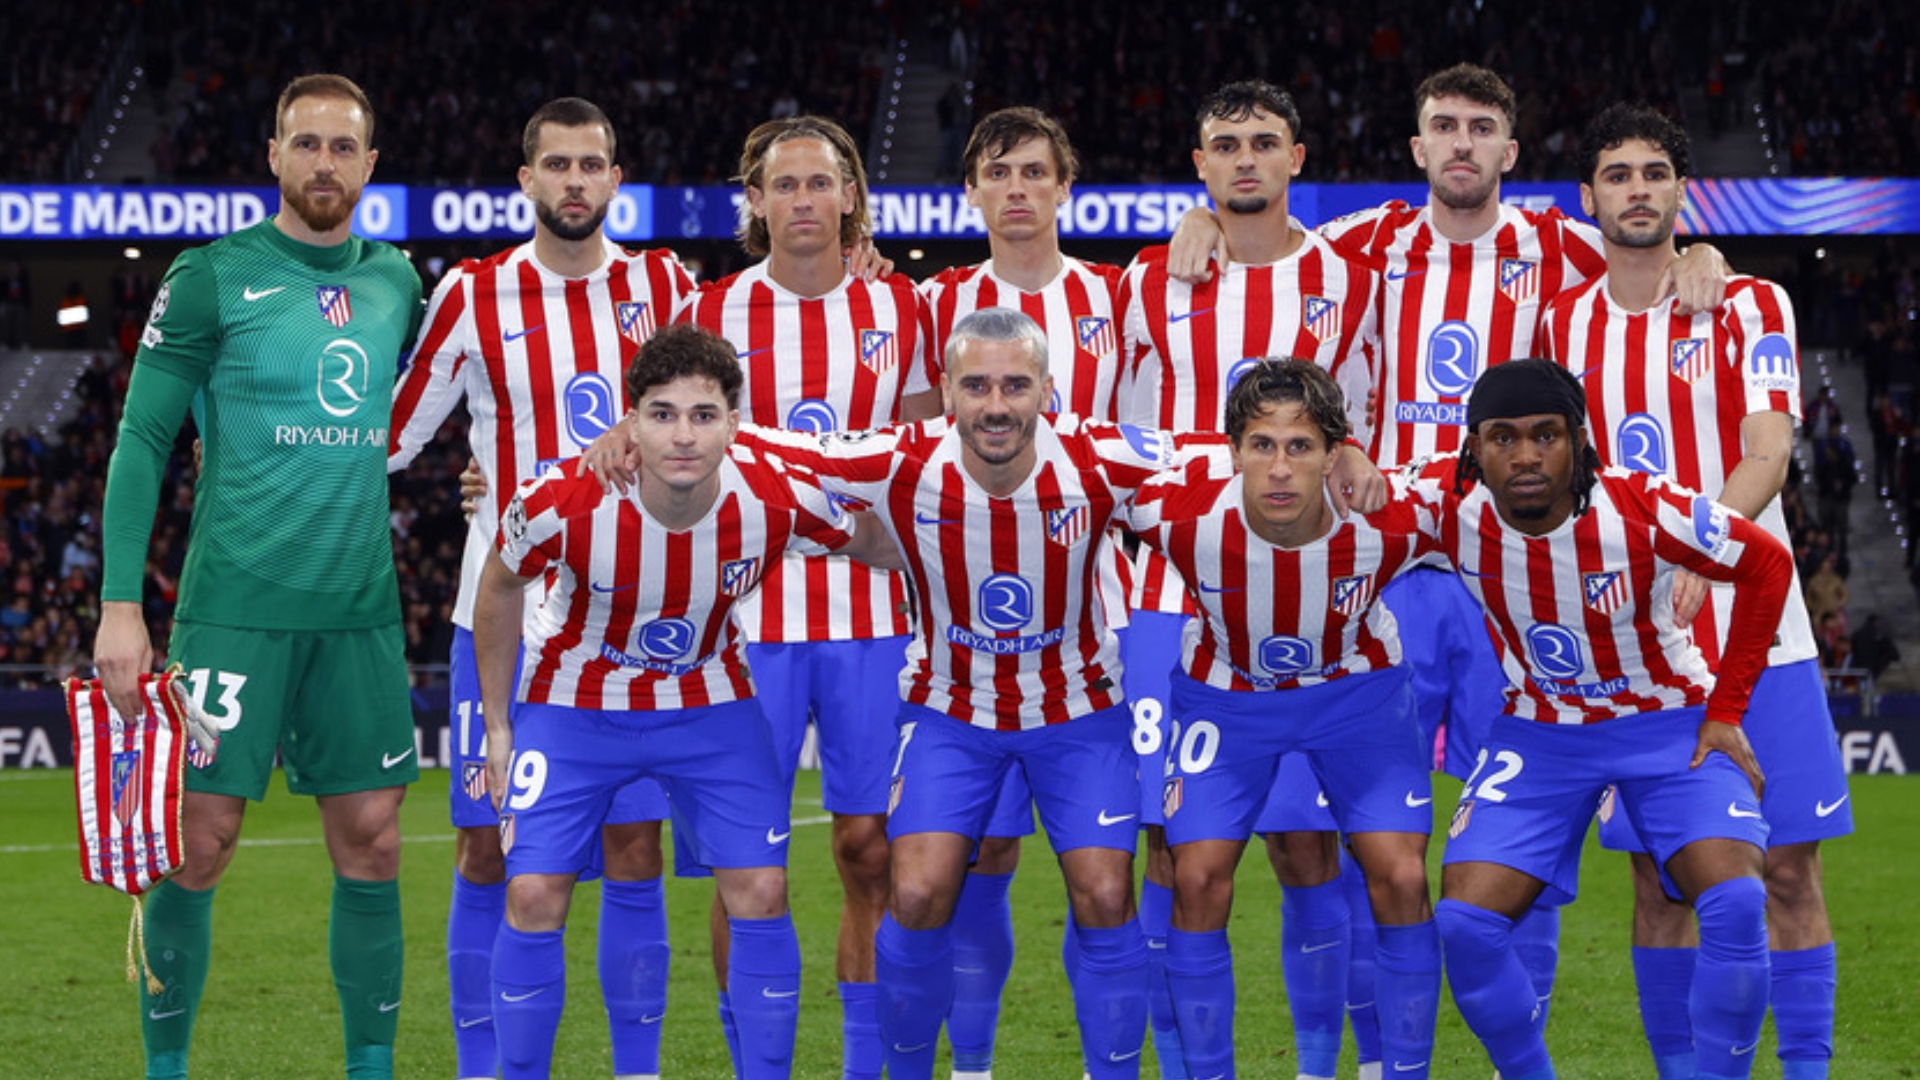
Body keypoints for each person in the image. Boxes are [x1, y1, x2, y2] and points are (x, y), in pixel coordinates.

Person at [1163, 65, 1732, 1071]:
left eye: (1482, 128)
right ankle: (1373, 1055)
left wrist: (1701, 254)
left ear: (1509, 153)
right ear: (1418, 147)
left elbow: (1646, 255)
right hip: (1385, 557)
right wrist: (1204, 223)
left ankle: (1526, 1047)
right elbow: (1265, 244)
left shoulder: (1558, 244)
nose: (1462, 143)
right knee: (1351, 833)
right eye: (1443, 127)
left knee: (1527, 823)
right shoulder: (1365, 243)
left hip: (1511, 568)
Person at [743, 307, 1190, 1080]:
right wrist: (631, 434)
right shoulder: (903, 458)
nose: (995, 404)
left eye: (1016, 385)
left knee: (1108, 892)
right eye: (977, 384)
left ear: (1047, 389)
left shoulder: (1096, 457)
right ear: (946, 388)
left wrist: (1343, 451)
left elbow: (1221, 457)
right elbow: (784, 445)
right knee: (914, 895)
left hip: (1077, 713)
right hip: (951, 713)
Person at [93, 74, 423, 1080]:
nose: (325, 162)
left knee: (372, 843)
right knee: (198, 845)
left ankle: (370, 1070)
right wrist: (119, 605)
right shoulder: (209, 276)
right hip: (234, 605)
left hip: (358, 610)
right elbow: (144, 437)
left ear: (369, 165)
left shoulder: (399, 282)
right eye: (306, 143)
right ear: (273, 154)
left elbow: (421, 411)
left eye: (343, 147)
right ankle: (166, 1071)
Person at [472, 323, 901, 1080]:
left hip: (709, 700)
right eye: (662, 413)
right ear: (630, 420)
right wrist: (500, 724)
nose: (683, 435)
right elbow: (500, 585)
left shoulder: (773, 495)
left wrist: (975, 537)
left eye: (704, 415)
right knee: (534, 891)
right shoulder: (563, 498)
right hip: (575, 704)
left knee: (763, 888)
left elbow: (876, 543)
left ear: (733, 422)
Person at [1540, 102, 1853, 1080]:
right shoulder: (1561, 324)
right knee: (1664, 883)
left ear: (1683, 190)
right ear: (1589, 196)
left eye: (1655, 173)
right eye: (1617, 174)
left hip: (1766, 632)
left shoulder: (1751, 303)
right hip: (1634, 650)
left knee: (1790, 870)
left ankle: (1803, 1072)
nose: (1637, 189)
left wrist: (1690, 550)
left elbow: (1769, 451)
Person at [387, 98, 693, 1080]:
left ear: (614, 180)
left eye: (590, 164)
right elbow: (390, 437)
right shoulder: (473, 294)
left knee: (637, 848)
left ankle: (635, 1070)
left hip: (637, 622)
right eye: (554, 164)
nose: (573, 180)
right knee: (489, 853)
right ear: (526, 182)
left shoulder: (667, 285)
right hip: (505, 620)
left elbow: (734, 414)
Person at [1417, 359, 1792, 1080]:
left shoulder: (1645, 507)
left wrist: (1727, 707)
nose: (1525, 455)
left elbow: (1767, 565)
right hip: (1540, 731)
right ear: (1473, 450)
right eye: (1502, 438)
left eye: (1545, 435)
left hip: (1669, 721)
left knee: (1739, 903)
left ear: (1580, 441)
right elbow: (1337, 492)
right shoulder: (1443, 504)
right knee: (1464, 926)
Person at [1119, 78, 1383, 1080]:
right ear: (1198, 164)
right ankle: (1191, 1067)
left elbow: (1370, 426)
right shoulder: (1149, 276)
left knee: (1309, 849)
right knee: (1171, 849)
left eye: (1263, 142)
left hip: (1310, 605)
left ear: (1296, 160)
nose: (1243, 160)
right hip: (1165, 600)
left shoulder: (1351, 281)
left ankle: (1323, 1066)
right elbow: (1105, 431)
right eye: (1223, 145)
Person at [674, 114, 937, 1080]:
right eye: (781, 186)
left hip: (874, 621)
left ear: (850, 196)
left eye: (818, 184)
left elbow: (919, 452)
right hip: (746, 624)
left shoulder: (899, 312)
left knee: (871, 852)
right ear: (755, 201)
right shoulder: (714, 315)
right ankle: (756, 1063)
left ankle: (868, 1063)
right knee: (746, 861)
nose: (801, 202)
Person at [1127, 359, 1441, 1079]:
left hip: (1356, 697)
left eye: (1299, 446)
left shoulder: (1388, 519)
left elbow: (1482, 493)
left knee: (1399, 875)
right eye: (1261, 445)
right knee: (1196, 875)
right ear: (1232, 449)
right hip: (1228, 701)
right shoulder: (1177, 511)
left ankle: (1400, 1072)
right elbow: (1071, 474)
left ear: (1335, 453)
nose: (1278, 468)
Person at [916, 105, 1142, 1079]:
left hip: (1100, 628)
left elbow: (1150, 448)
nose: (1016, 187)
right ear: (973, 191)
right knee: (982, 860)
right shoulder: (935, 302)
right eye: (997, 171)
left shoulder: (1118, 297)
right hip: (966, 639)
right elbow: (914, 447)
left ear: (1064, 186)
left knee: (1114, 875)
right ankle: (971, 1063)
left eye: (1034, 171)